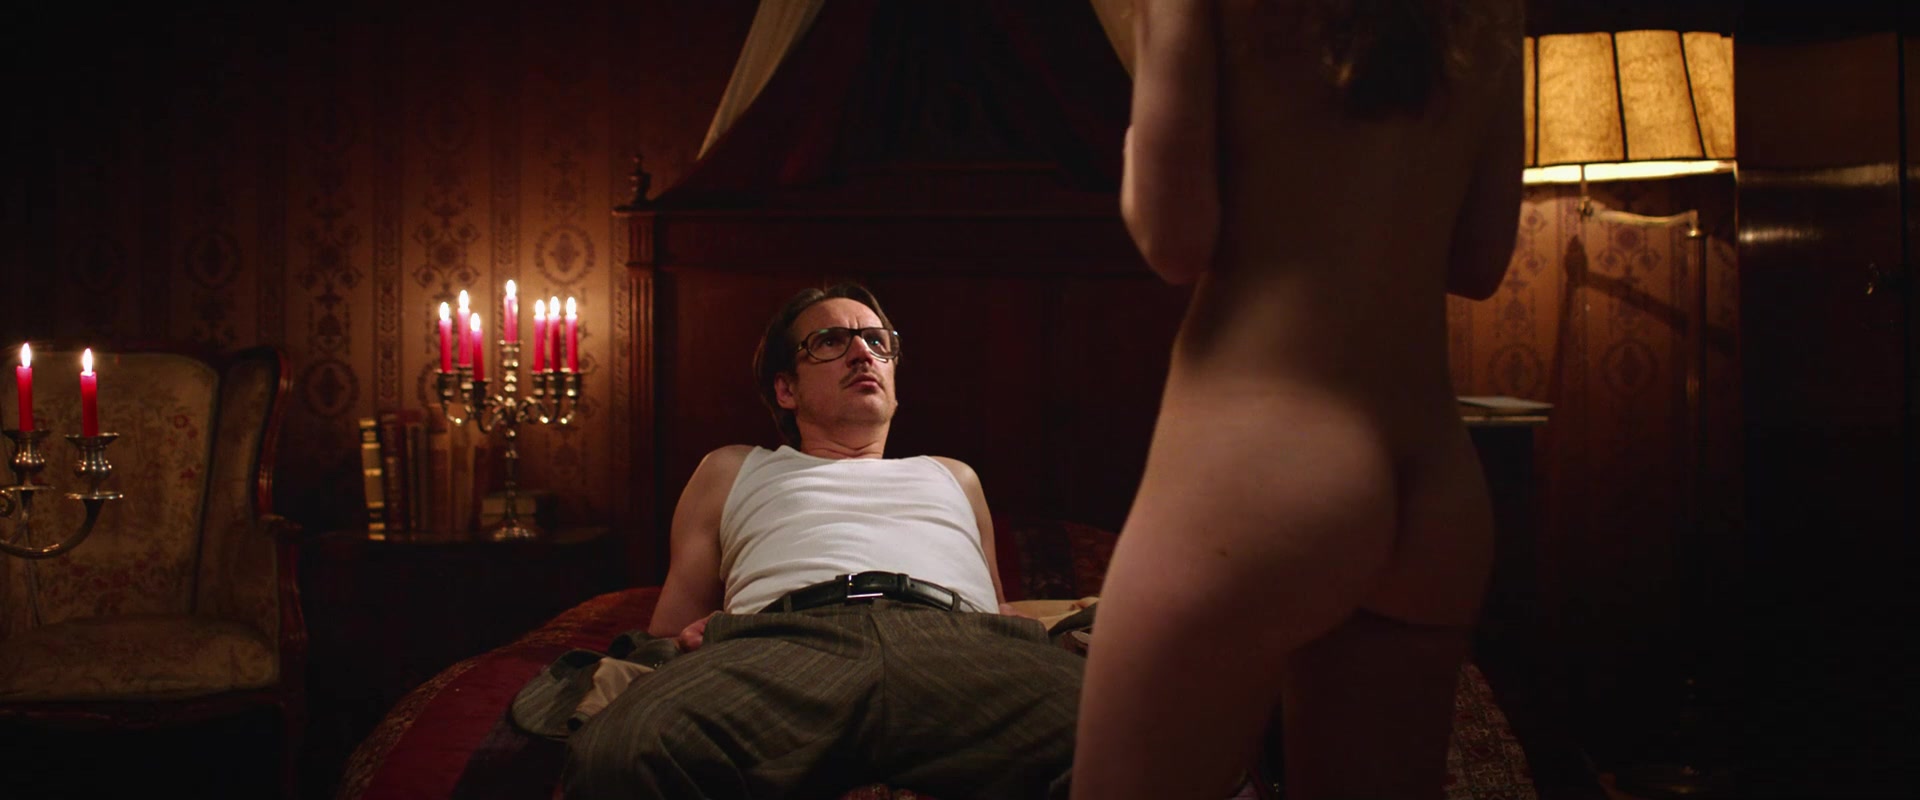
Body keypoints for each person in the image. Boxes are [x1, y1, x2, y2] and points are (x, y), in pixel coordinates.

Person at [1072, 1, 1525, 798]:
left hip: (1263, 465)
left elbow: (1176, 238)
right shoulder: (1485, 11)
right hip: (1432, 477)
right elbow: (1481, 258)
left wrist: (1140, 145)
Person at [562, 282, 1084, 800]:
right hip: (784, 645)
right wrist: (690, 637)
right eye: (830, 342)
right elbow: (671, 626)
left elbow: (995, 608)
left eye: (877, 342)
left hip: (958, 643)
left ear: (893, 381)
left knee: (1121, 727)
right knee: (623, 750)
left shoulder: (953, 475)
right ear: (785, 390)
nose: (863, 353)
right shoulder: (731, 468)